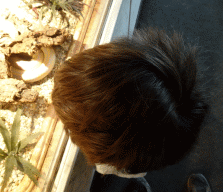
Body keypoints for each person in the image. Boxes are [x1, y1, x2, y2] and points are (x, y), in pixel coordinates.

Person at [51, 27, 209, 181]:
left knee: (128, 170)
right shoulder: (178, 114)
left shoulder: (133, 154)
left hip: (133, 160)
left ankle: (133, 177)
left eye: (71, 129)